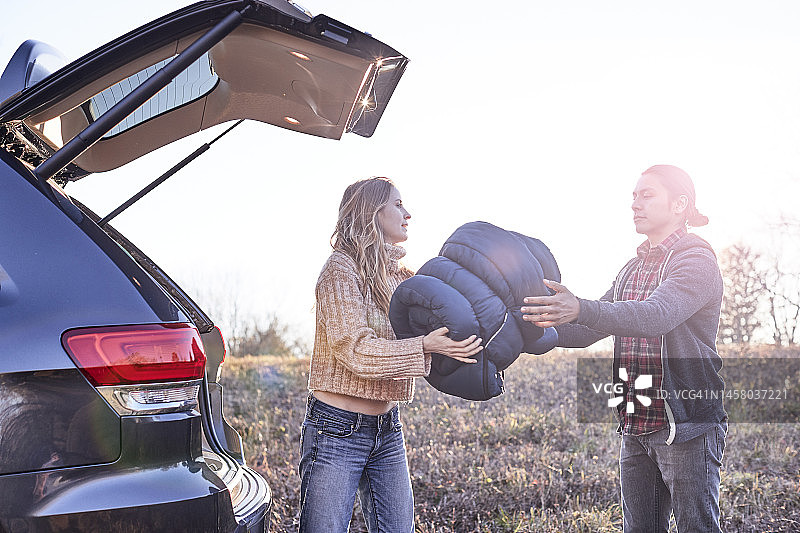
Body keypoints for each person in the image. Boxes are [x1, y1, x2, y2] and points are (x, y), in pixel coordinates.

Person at [521, 165, 727, 533]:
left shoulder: (696, 259)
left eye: (646, 195)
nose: (635, 204)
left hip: (686, 428)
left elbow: (656, 316)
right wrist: (524, 329)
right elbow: (586, 330)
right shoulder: (631, 269)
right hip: (635, 424)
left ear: (680, 204)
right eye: (634, 196)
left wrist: (581, 307)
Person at [298, 177, 483, 533]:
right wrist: (425, 346)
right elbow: (356, 351)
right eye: (398, 204)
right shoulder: (340, 271)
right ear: (372, 211)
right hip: (336, 430)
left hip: (387, 428)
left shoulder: (400, 278)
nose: (407, 213)